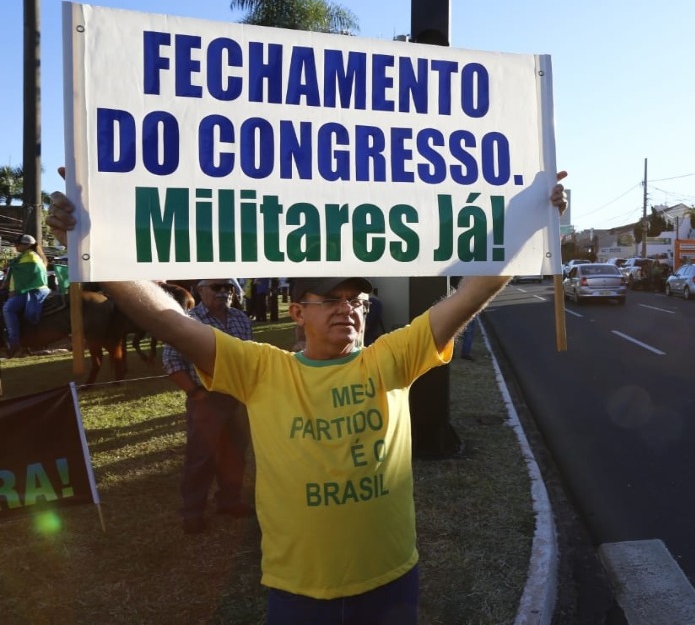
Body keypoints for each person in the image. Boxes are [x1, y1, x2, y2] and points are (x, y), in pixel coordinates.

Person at [46, 172, 567, 624]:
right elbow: (168, 321)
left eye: (357, 299)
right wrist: (93, 249)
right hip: (299, 594)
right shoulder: (260, 369)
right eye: (331, 299)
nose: (349, 309)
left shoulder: (392, 358)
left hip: (391, 581)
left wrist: (534, 225)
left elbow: (471, 292)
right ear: (297, 313)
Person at [162, 279, 255, 535]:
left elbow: (251, 357)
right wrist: (195, 394)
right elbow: (171, 361)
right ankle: (193, 512)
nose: (224, 292)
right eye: (216, 287)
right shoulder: (186, 320)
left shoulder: (241, 318)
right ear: (200, 290)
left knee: (236, 452)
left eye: (228, 287)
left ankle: (230, 501)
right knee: (201, 457)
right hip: (206, 398)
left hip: (238, 397)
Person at [2, 234, 51, 357]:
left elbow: (25, 279)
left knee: (8, 308)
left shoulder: (30, 257)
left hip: (32, 291)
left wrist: (14, 291)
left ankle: (14, 342)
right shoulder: (24, 257)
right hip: (25, 290)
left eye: (18, 243)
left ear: (27, 245)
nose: (15, 245)